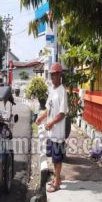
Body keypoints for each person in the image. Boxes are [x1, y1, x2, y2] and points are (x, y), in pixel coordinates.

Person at [36, 63, 68, 193]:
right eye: (51, 75)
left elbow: (62, 113)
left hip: (58, 132)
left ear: (60, 75)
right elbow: (48, 109)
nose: (52, 77)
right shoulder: (52, 90)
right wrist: (42, 118)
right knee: (53, 158)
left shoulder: (62, 92)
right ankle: (56, 179)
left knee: (57, 158)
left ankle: (57, 182)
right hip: (51, 132)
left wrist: (51, 123)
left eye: (55, 74)